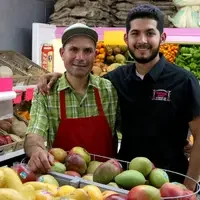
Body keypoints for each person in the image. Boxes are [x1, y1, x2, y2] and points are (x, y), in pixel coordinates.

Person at [37, 4, 200, 191]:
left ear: (162, 37)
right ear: (126, 38)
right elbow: (83, 81)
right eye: (135, 33)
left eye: (150, 33)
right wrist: (57, 76)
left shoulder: (184, 80)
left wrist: (190, 186)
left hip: (172, 182)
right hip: (123, 181)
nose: (142, 40)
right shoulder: (116, 78)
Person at [24, 23, 118, 174]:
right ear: (62, 53)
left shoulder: (109, 89)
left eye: (87, 51)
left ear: (95, 54)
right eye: (73, 49)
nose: (80, 57)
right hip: (62, 182)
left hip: (107, 183)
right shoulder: (47, 92)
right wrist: (36, 151)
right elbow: (35, 132)